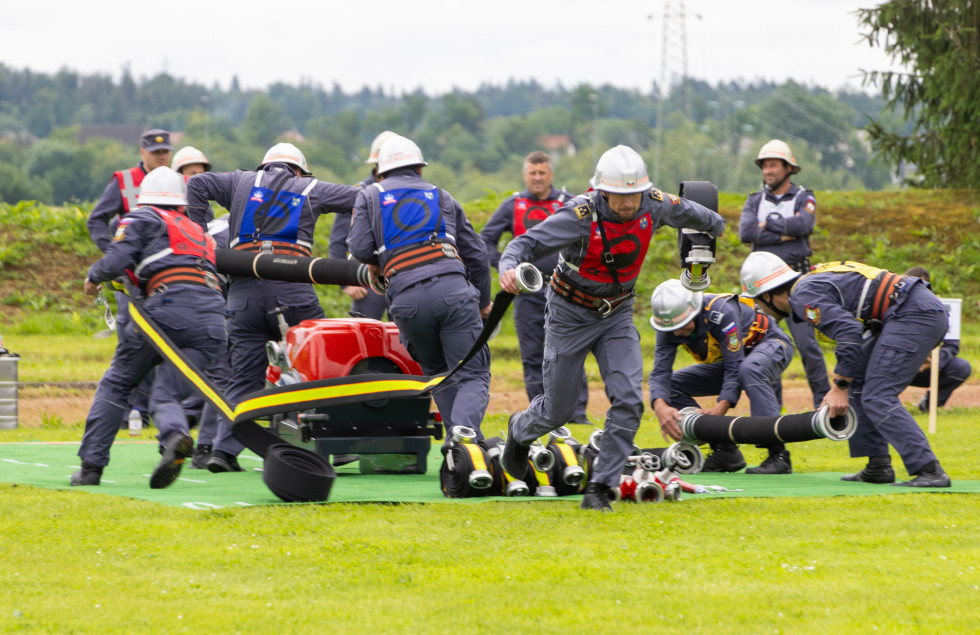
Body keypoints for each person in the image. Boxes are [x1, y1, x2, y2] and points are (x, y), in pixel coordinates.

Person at [497, 145, 726, 511]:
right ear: (602, 190)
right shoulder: (578, 215)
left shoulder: (655, 202)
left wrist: (700, 249)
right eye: (619, 196)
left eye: (634, 194)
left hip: (616, 314)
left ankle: (600, 488)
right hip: (568, 313)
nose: (628, 203)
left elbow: (710, 219)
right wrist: (508, 268)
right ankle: (518, 432)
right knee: (558, 410)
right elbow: (525, 244)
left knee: (629, 400)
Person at [185, 142, 361, 472]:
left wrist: (200, 238)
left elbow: (196, 183)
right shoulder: (310, 186)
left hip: (243, 296)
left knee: (244, 379)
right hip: (293, 291)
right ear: (298, 169)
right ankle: (337, 448)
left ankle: (223, 452)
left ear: (264, 166)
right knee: (319, 368)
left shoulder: (239, 182)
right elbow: (362, 199)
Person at [71, 167, 227, 489]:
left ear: (145, 200)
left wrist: (94, 276)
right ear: (182, 205)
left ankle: (90, 469)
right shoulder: (199, 231)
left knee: (118, 383)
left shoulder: (141, 218)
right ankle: (175, 435)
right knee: (166, 390)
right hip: (212, 320)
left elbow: (116, 261)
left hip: (166, 311)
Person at [741, 252, 951, 487]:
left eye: (758, 302)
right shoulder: (808, 284)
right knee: (859, 382)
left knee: (878, 395)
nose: (760, 309)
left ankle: (930, 470)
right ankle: (878, 466)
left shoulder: (802, 296)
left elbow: (849, 333)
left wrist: (840, 386)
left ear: (768, 294)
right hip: (910, 310)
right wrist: (846, 382)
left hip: (912, 314)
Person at [347, 134, 493, 441]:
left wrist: (378, 261)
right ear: (420, 170)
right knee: (473, 373)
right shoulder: (442, 196)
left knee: (438, 375)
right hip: (453, 292)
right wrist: (483, 303)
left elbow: (360, 248)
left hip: (406, 298)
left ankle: (461, 450)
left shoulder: (369, 195)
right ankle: (464, 441)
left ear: (380, 173)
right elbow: (477, 253)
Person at [481, 151, 591, 424]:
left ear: (551, 174)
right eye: (533, 173)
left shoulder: (569, 203)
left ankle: (578, 414)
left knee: (571, 351)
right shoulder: (512, 205)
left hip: (567, 291)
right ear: (525, 175)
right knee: (532, 355)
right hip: (527, 292)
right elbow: (485, 241)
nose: (538, 178)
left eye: (543, 173)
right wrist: (505, 268)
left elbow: (591, 237)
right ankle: (541, 415)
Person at [648, 279, 794, 474]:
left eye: (682, 324)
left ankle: (779, 455)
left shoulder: (722, 312)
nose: (677, 332)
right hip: (738, 361)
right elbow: (660, 372)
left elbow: (735, 367)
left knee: (749, 370)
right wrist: (660, 407)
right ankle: (726, 452)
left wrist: (719, 411)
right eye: (671, 327)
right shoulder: (669, 326)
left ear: (694, 310)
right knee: (673, 384)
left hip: (771, 344)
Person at [86, 128, 174, 429]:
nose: (161, 157)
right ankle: (127, 411)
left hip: (168, 277)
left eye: (165, 152)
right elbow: (96, 219)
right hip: (132, 278)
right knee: (131, 339)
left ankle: (152, 409)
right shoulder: (124, 181)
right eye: (155, 152)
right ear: (142, 153)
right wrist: (114, 256)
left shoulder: (177, 182)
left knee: (167, 341)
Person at [739, 139, 829, 409]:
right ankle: (771, 411)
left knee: (808, 347)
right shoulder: (755, 200)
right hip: (763, 289)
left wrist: (768, 226)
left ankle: (825, 407)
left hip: (797, 283)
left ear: (788, 168)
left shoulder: (804, 197)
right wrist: (787, 233)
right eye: (764, 165)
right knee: (763, 345)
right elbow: (746, 232)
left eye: (773, 165)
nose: (768, 170)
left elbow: (805, 224)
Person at [328, 131, 396, 320]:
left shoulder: (407, 193)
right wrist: (346, 282)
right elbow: (337, 242)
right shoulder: (357, 193)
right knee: (363, 338)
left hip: (402, 277)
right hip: (366, 281)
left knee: (406, 343)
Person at [903, 266, 972, 411]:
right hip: (896, 365)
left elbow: (951, 345)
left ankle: (929, 405)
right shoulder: (891, 306)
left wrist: (934, 362)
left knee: (960, 368)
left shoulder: (941, 309)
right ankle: (882, 406)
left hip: (926, 369)